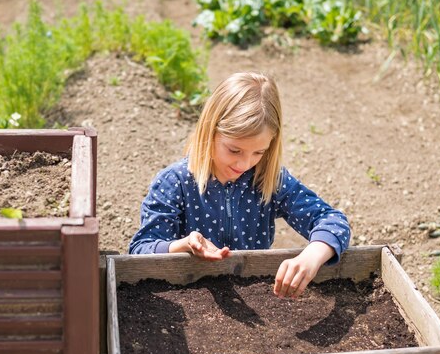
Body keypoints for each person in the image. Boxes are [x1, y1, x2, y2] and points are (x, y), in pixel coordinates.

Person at [129, 72, 351, 299]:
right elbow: (141, 251)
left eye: (259, 152)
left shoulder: (268, 179)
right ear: (210, 131)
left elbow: (333, 221)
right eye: (234, 150)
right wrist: (184, 246)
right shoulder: (175, 182)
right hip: (189, 292)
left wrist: (312, 255)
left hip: (256, 296)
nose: (244, 163)